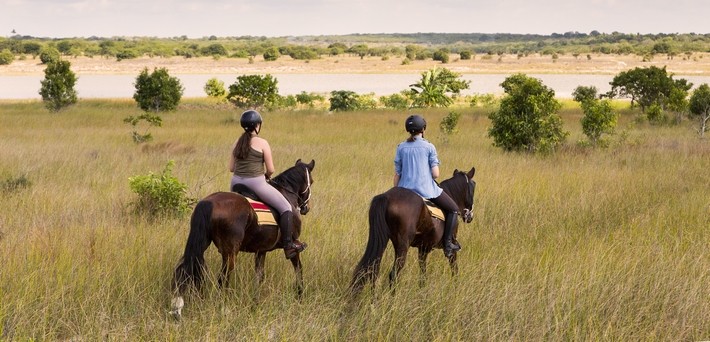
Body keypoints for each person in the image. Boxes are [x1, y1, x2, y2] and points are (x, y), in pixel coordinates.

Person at [229, 109, 306, 258]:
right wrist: (266, 176)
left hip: (236, 184)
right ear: (257, 125)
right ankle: (289, 245)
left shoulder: (236, 143)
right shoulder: (262, 142)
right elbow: (271, 169)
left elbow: (231, 168)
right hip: (256, 183)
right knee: (285, 208)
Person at [393, 114, 461, 258]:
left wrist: (397, 191)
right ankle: (448, 244)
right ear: (423, 129)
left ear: (408, 130)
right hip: (427, 190)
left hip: (404, 191)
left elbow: (397, 175)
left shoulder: (401, 147)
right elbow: (436, 174)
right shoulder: (429, 146)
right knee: (454, 209)